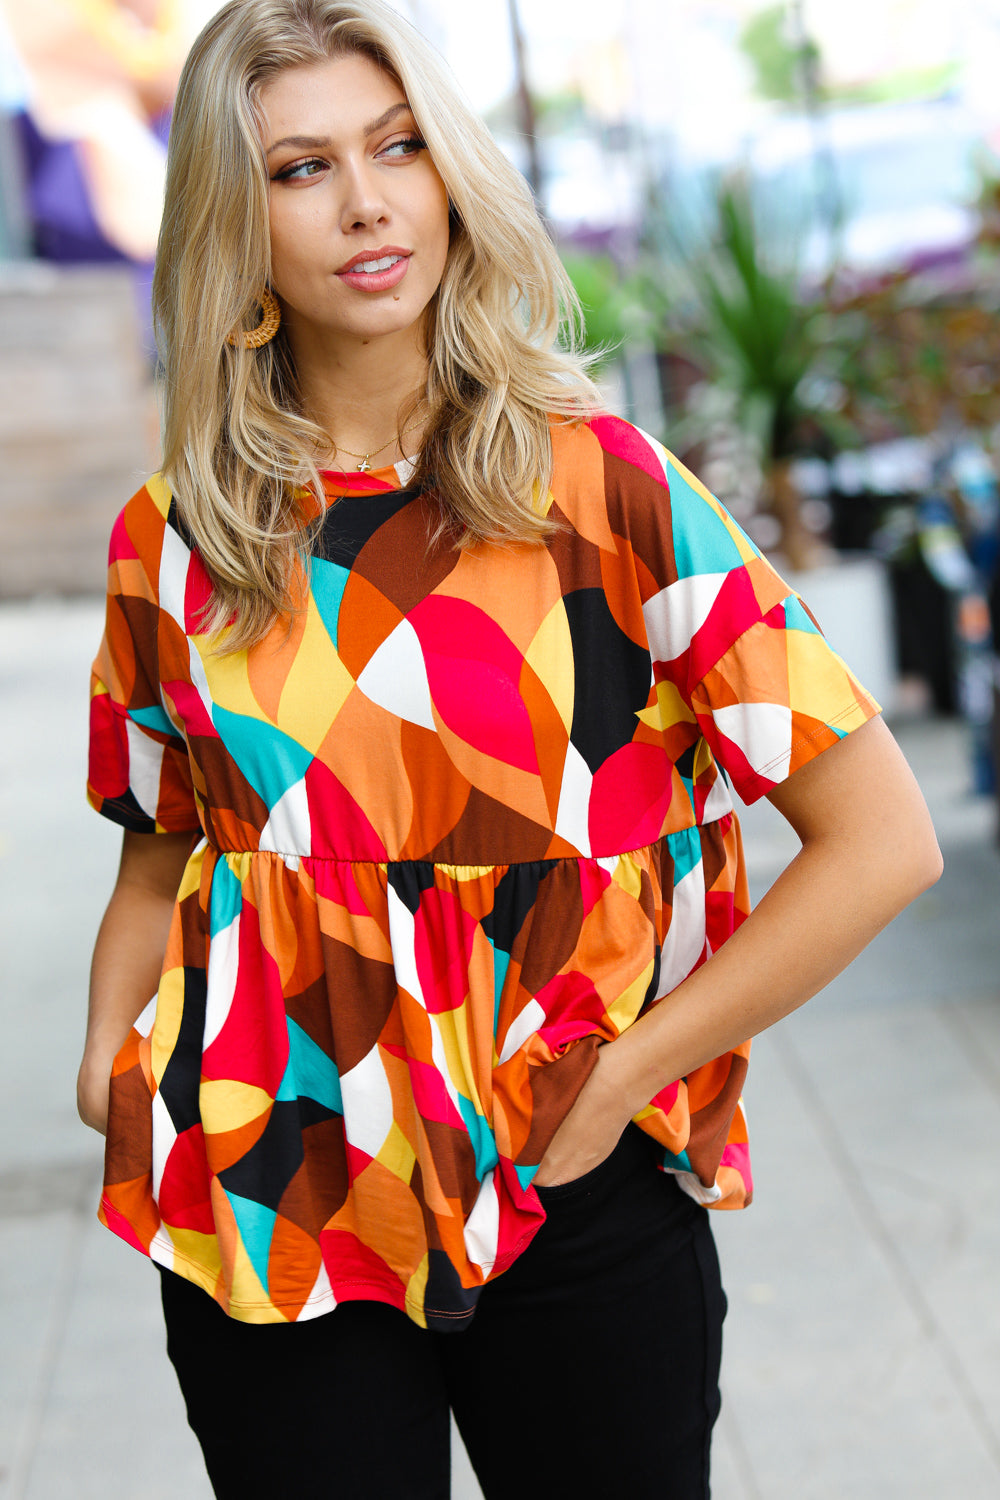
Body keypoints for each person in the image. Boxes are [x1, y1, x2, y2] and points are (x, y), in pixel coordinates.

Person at [77, 2, 943, 1496]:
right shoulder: (176, 537)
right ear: (234, 222)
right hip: (273, 1188)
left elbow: (883, 841)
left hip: (572, 1182)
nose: (367, 202)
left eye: (399, 146)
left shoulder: (604, 493)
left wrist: (632, 1077)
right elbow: (163, 854)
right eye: (301, 168)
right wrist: (109, 1061)